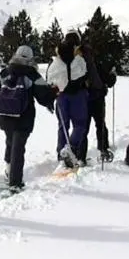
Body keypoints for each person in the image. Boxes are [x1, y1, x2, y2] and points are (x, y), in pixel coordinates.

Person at [0, 45, 56, 192]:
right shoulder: (32, 74)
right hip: (24, 117)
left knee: (10, 142)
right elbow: (44, 97)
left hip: (4, 116)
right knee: (18, 147)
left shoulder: (4, 72)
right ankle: (15, 183)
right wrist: (53, 93)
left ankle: (9, 174)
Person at [45, 30, 88, 166]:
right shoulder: (79, 58)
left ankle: (61, 154)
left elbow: (50, 78)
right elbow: (85, 74)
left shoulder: (57, 57)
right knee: (80, 125)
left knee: (63, 125)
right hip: (77, 95)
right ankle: (70, 149)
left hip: (61, 95)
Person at [78, 36, 118, 163]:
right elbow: (109, 81)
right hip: (98, 98)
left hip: (83, 100)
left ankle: (81, 156)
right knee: (100, 124)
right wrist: (113, 75)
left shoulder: (77, 64)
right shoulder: (96, 64)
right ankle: (103, 150)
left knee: (83, 128)